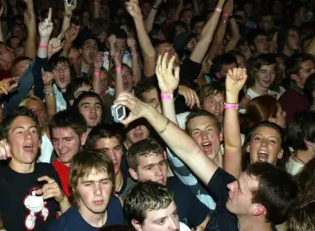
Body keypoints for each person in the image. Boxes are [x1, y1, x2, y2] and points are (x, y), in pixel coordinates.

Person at [114, 86, 298, 230]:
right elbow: (190, 152)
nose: (230, 185)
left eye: (239, 188)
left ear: (257, 209)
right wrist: (148, 112)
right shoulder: (230, 199)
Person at [0, 44, 69, 230]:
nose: (29, 136)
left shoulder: (48, 171)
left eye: (33, 131)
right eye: (20, 131)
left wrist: (63, 200)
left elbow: (69, 222)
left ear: (40, 141)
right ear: (6, 141)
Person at [126, 139, 209, 228]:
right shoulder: (132, 206)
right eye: (149, 168)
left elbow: (205, 224)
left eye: (161, 164)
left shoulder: (180, 188)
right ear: (134, 173)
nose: (159, 172)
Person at [48, 149, 126, 230]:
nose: (98, 191)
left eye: (104, 182)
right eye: (88, 184)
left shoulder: (116, 207)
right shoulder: (63, 228)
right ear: (74, 187)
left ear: (112, 183)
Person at [85, 124, 136, 199]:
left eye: (116, 148)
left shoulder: (136, 187)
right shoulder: (90, 195)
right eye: (105, 151)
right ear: (93, 155)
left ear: (122, 150)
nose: (113, 157)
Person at [48, 109, 88, 196]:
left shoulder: (96, 168)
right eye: (56, 141)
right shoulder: (50, 174)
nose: (60, 146)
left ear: (83, 138)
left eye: (67, 139)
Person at [123, 181, 191, 231]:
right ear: (138, 225)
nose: (174, 227)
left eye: (174, 214)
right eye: (161, 221)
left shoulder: (183, 228)